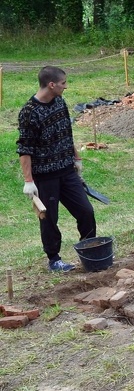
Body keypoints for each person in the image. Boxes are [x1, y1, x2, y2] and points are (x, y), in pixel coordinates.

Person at [17, 66, 96, 272]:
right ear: (51, 84)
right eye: (63, 83)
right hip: (45, 177)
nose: (65, 86)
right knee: (50, 219)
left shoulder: (60, 102)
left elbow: (66, 132)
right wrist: (28, 181)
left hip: (67, 171)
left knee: (86, 211)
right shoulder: (29, 112)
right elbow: (24, 149)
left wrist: (76, 158)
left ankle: (90, 250)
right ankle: (54, 259)